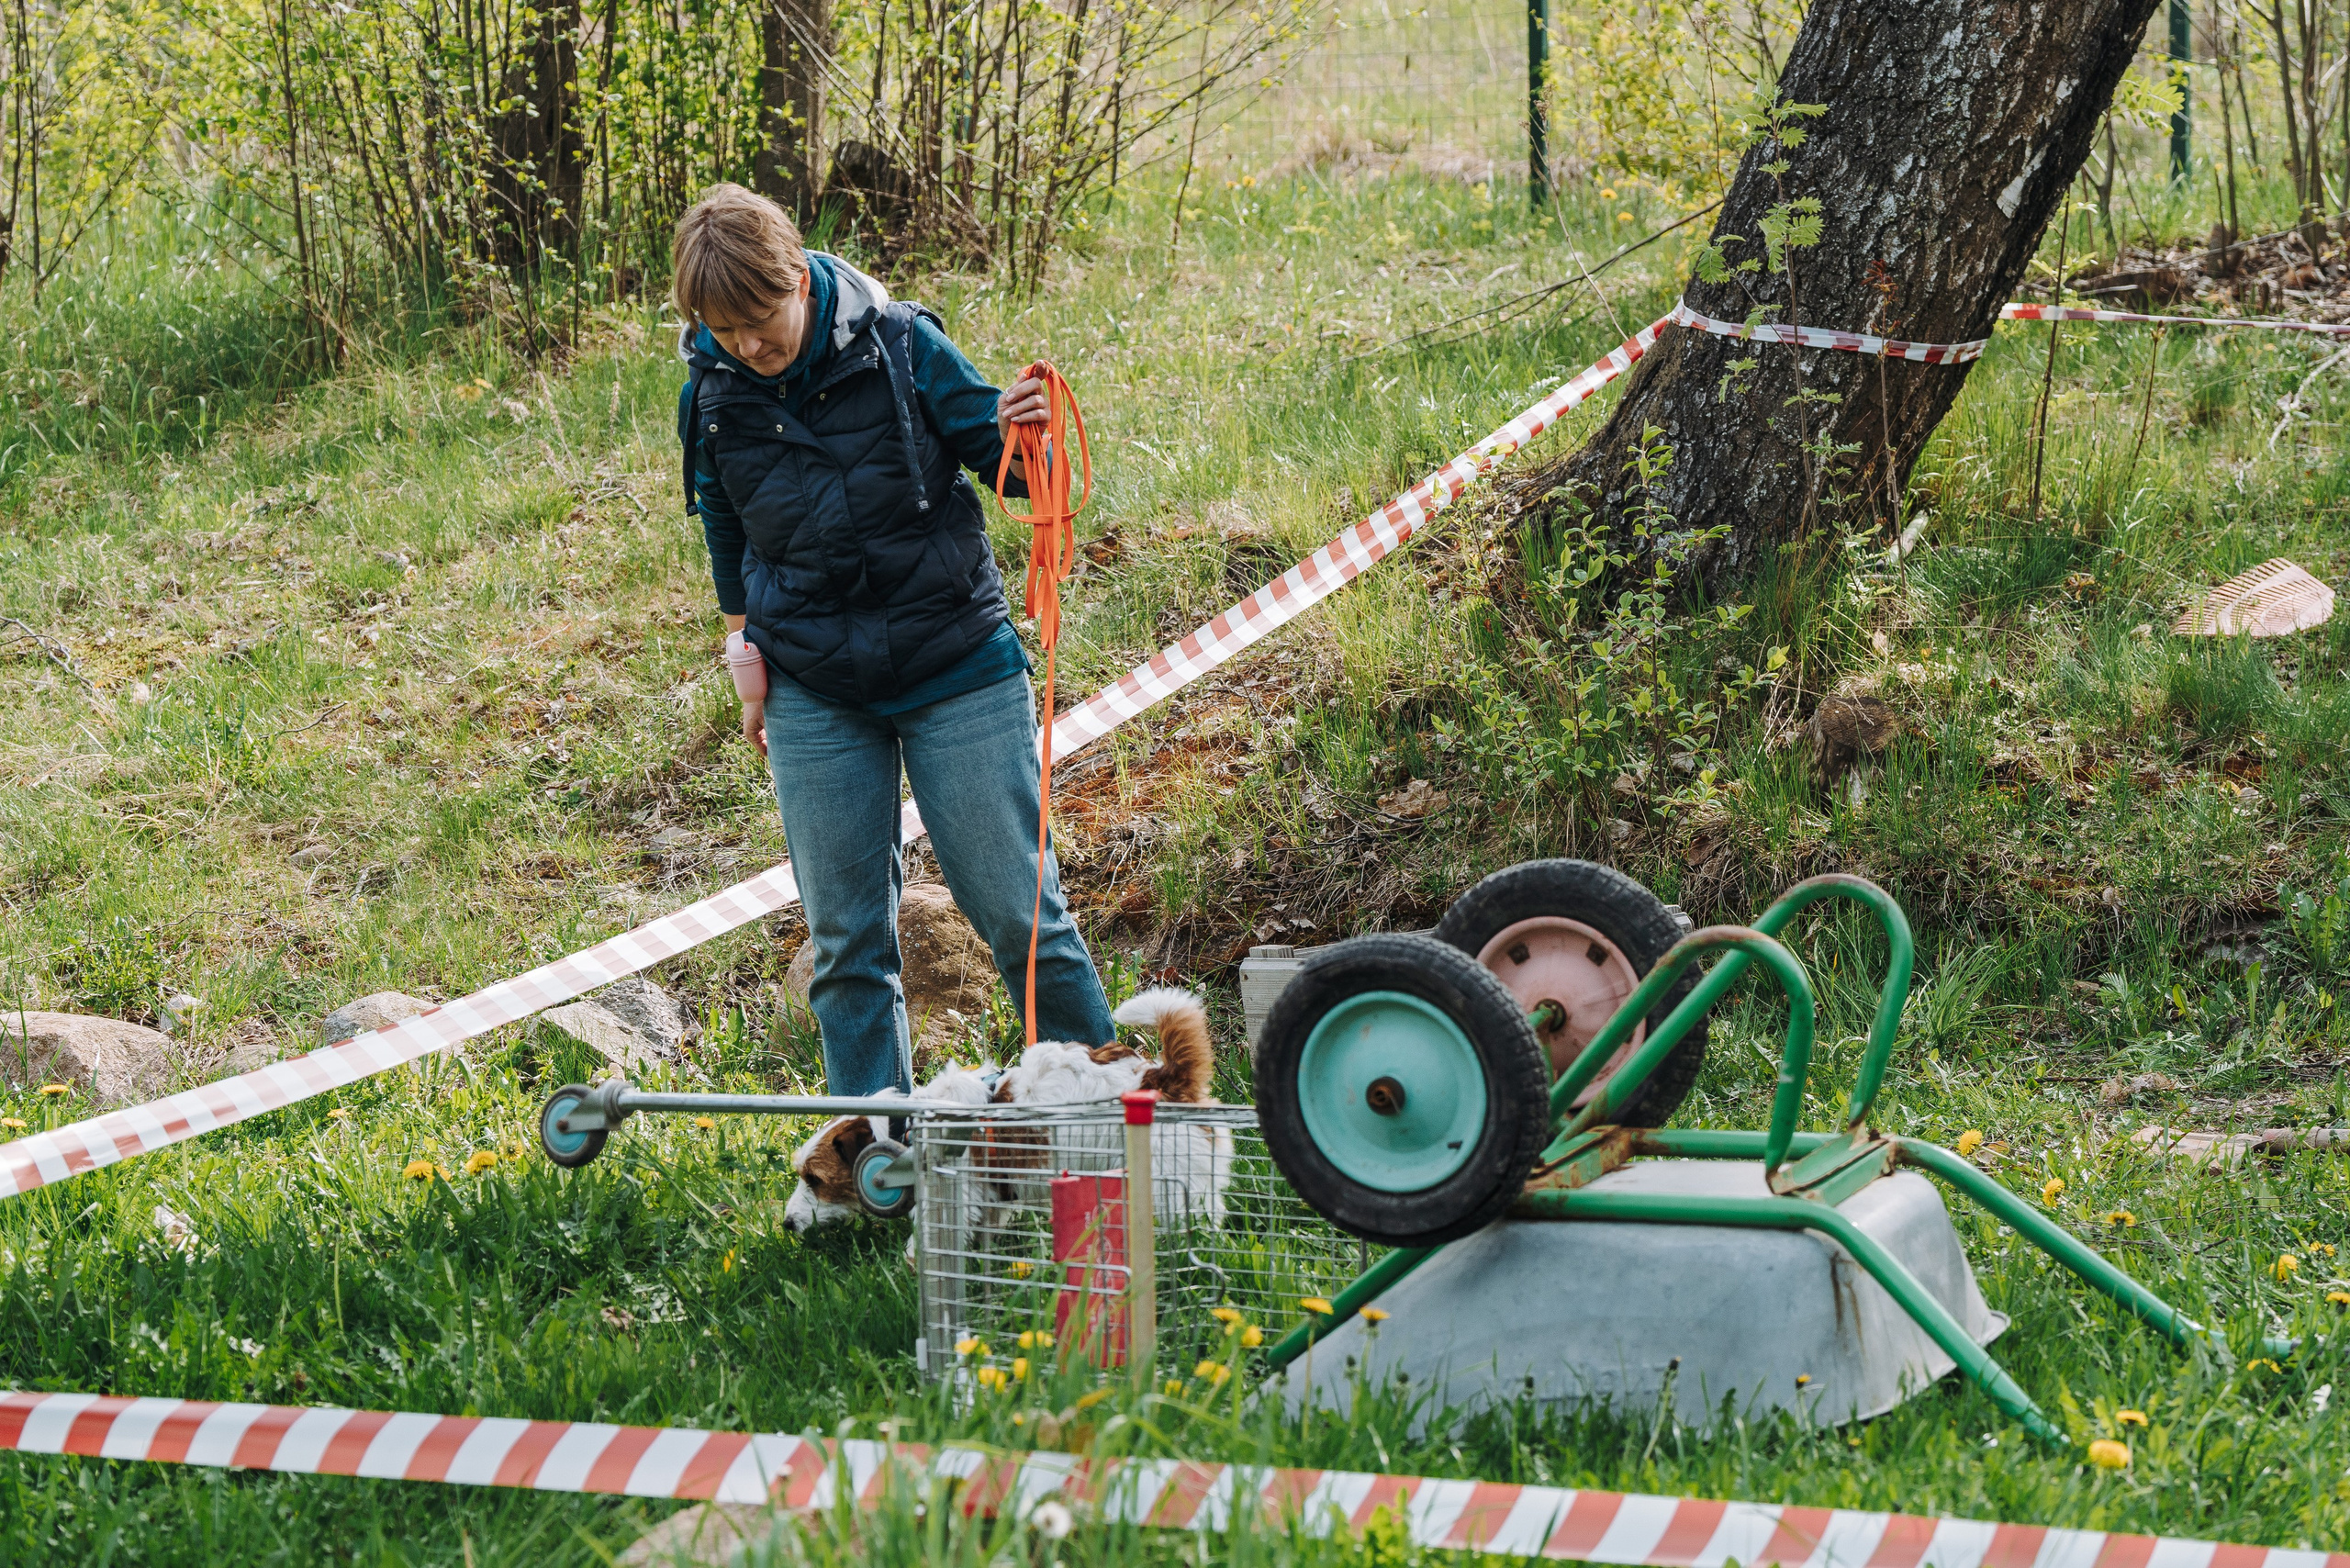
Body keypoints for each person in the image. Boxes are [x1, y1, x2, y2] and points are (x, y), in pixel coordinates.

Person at [671, 183, 1115, 1096]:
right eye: (725, 331)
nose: (748, 347)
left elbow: (1015, 473)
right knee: (845, 946)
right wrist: (746, 664)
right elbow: (725, 526)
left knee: (1022, 916)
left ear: (801, 280)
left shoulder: (904, 343)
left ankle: (1108, 1117)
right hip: (814, 689)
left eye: (761, 321)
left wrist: (1026, 437)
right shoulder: (710, 396)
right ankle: (877, 1152)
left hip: (957, 667)